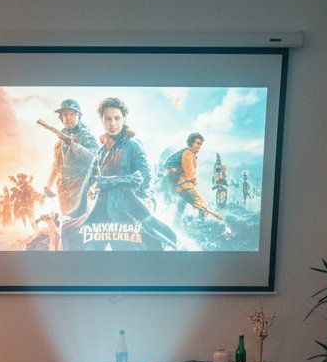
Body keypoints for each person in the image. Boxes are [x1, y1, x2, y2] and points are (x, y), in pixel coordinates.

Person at [63, 97, 176, 252]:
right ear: (102, 121)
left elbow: (143, 176)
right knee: (73, 236)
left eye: (117, 118)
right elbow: (90, 181)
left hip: (127, 214)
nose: (112, 124)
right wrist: (80, 209)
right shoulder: (102, 151)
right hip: (101, 214)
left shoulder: (133, 145)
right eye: (108, 119)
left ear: (124, 119)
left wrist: (111, 182)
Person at [43, 98, 98, 219]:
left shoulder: (86, 136)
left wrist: (72, 144)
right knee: (67, 221)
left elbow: (95, 160)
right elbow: (56, 164)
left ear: (79, 115)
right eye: (65, 114)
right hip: (65, 190)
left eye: (72, 114)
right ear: (61, 118)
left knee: (78, 223)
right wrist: (48, 186)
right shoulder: (61, 139)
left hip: (81, 188)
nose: (68, 118)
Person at [163, 132, 215, 223]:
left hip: (176, 180)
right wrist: (193, 181)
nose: (199, 146)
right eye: (197, 143)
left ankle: (177, 222)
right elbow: (189, 171)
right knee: (200, 203)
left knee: (182, 202)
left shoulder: (192, 154)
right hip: (176, 179)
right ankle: (200, 221)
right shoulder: (188, 153)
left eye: (200, 144)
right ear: (191, 143)